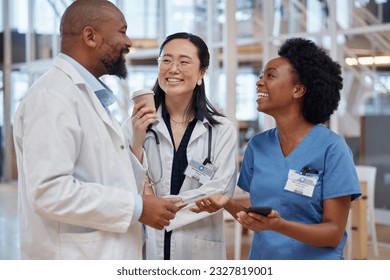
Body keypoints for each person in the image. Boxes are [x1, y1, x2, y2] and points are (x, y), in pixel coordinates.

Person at [12, 0, 180, 260]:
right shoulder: (52, 97)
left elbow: (103, 175)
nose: (129, 42)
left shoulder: (88, 97)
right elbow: (50, 192)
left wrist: (136, 147)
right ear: (90, 36)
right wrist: (137, 207)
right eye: (122, 31)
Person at [193, 37, 362, 260]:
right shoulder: (258, 145)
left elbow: (333, 233)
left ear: (298, 90)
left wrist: (280, 226)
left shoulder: (332, 148)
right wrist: (226, 203)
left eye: (270, 75)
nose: (259, 82)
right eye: (262, 75)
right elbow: (259, 220)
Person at [123, 32, 237, 260]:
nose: (173, 68)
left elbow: (219, 190)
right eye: (166, 60)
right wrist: (137, 140)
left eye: (184, 61)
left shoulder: (221, 130)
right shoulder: (137, 125)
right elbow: (124, 184)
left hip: (199, 248)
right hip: (148, 246)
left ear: (201, 73)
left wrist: (154, 205)